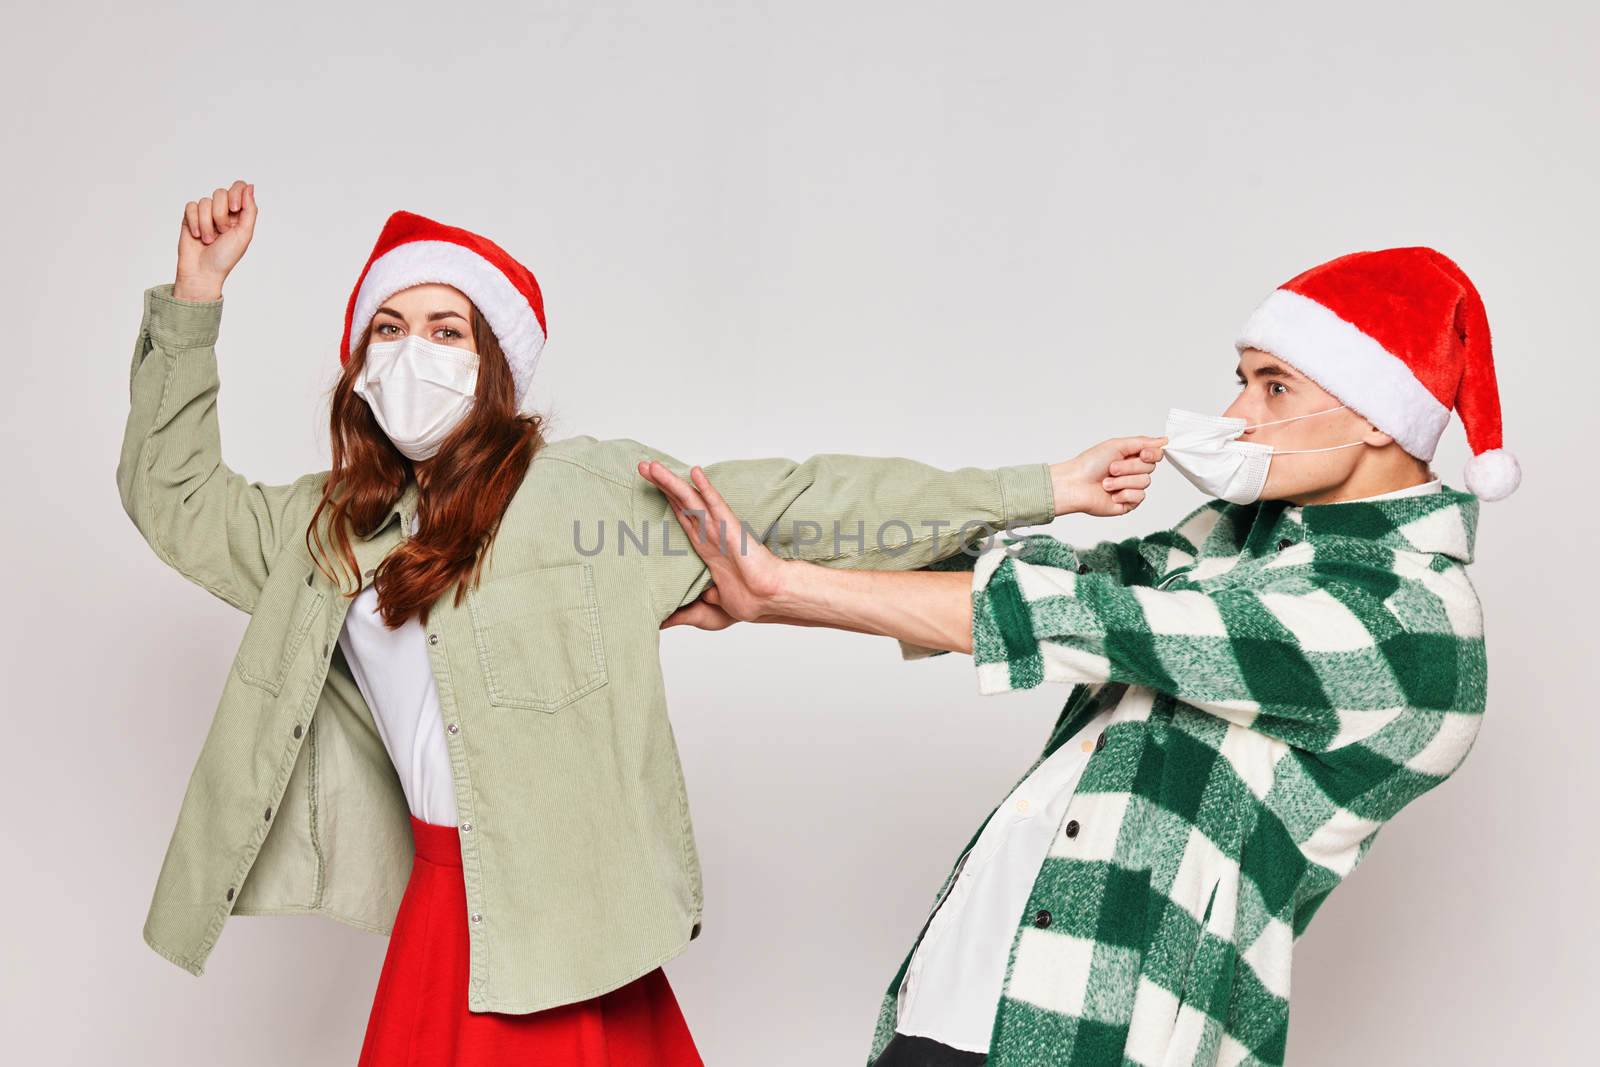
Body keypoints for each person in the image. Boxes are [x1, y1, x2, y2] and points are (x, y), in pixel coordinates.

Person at [114, 179, 1165, 1065]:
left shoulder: (586, 497)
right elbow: (176, 501)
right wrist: (195, 295)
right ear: (356, 363)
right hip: (440, 907)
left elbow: (803, 497)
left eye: (446, 330)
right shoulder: (326, 531)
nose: (411, 354)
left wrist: (1044, 485)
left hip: (569, 916)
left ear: (494, 366)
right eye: (387, 329)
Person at [640, 246, 1518, 1067]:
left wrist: (787, 585)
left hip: (1099, 1039)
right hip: (958, 998)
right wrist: (759, 594)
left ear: (1375, 416)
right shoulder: (1230, 540)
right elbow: (1035, 579)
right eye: (1241, 381)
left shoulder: (1413, 621)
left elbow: (1092, 620)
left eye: (1275, 387)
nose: (1235, 416)